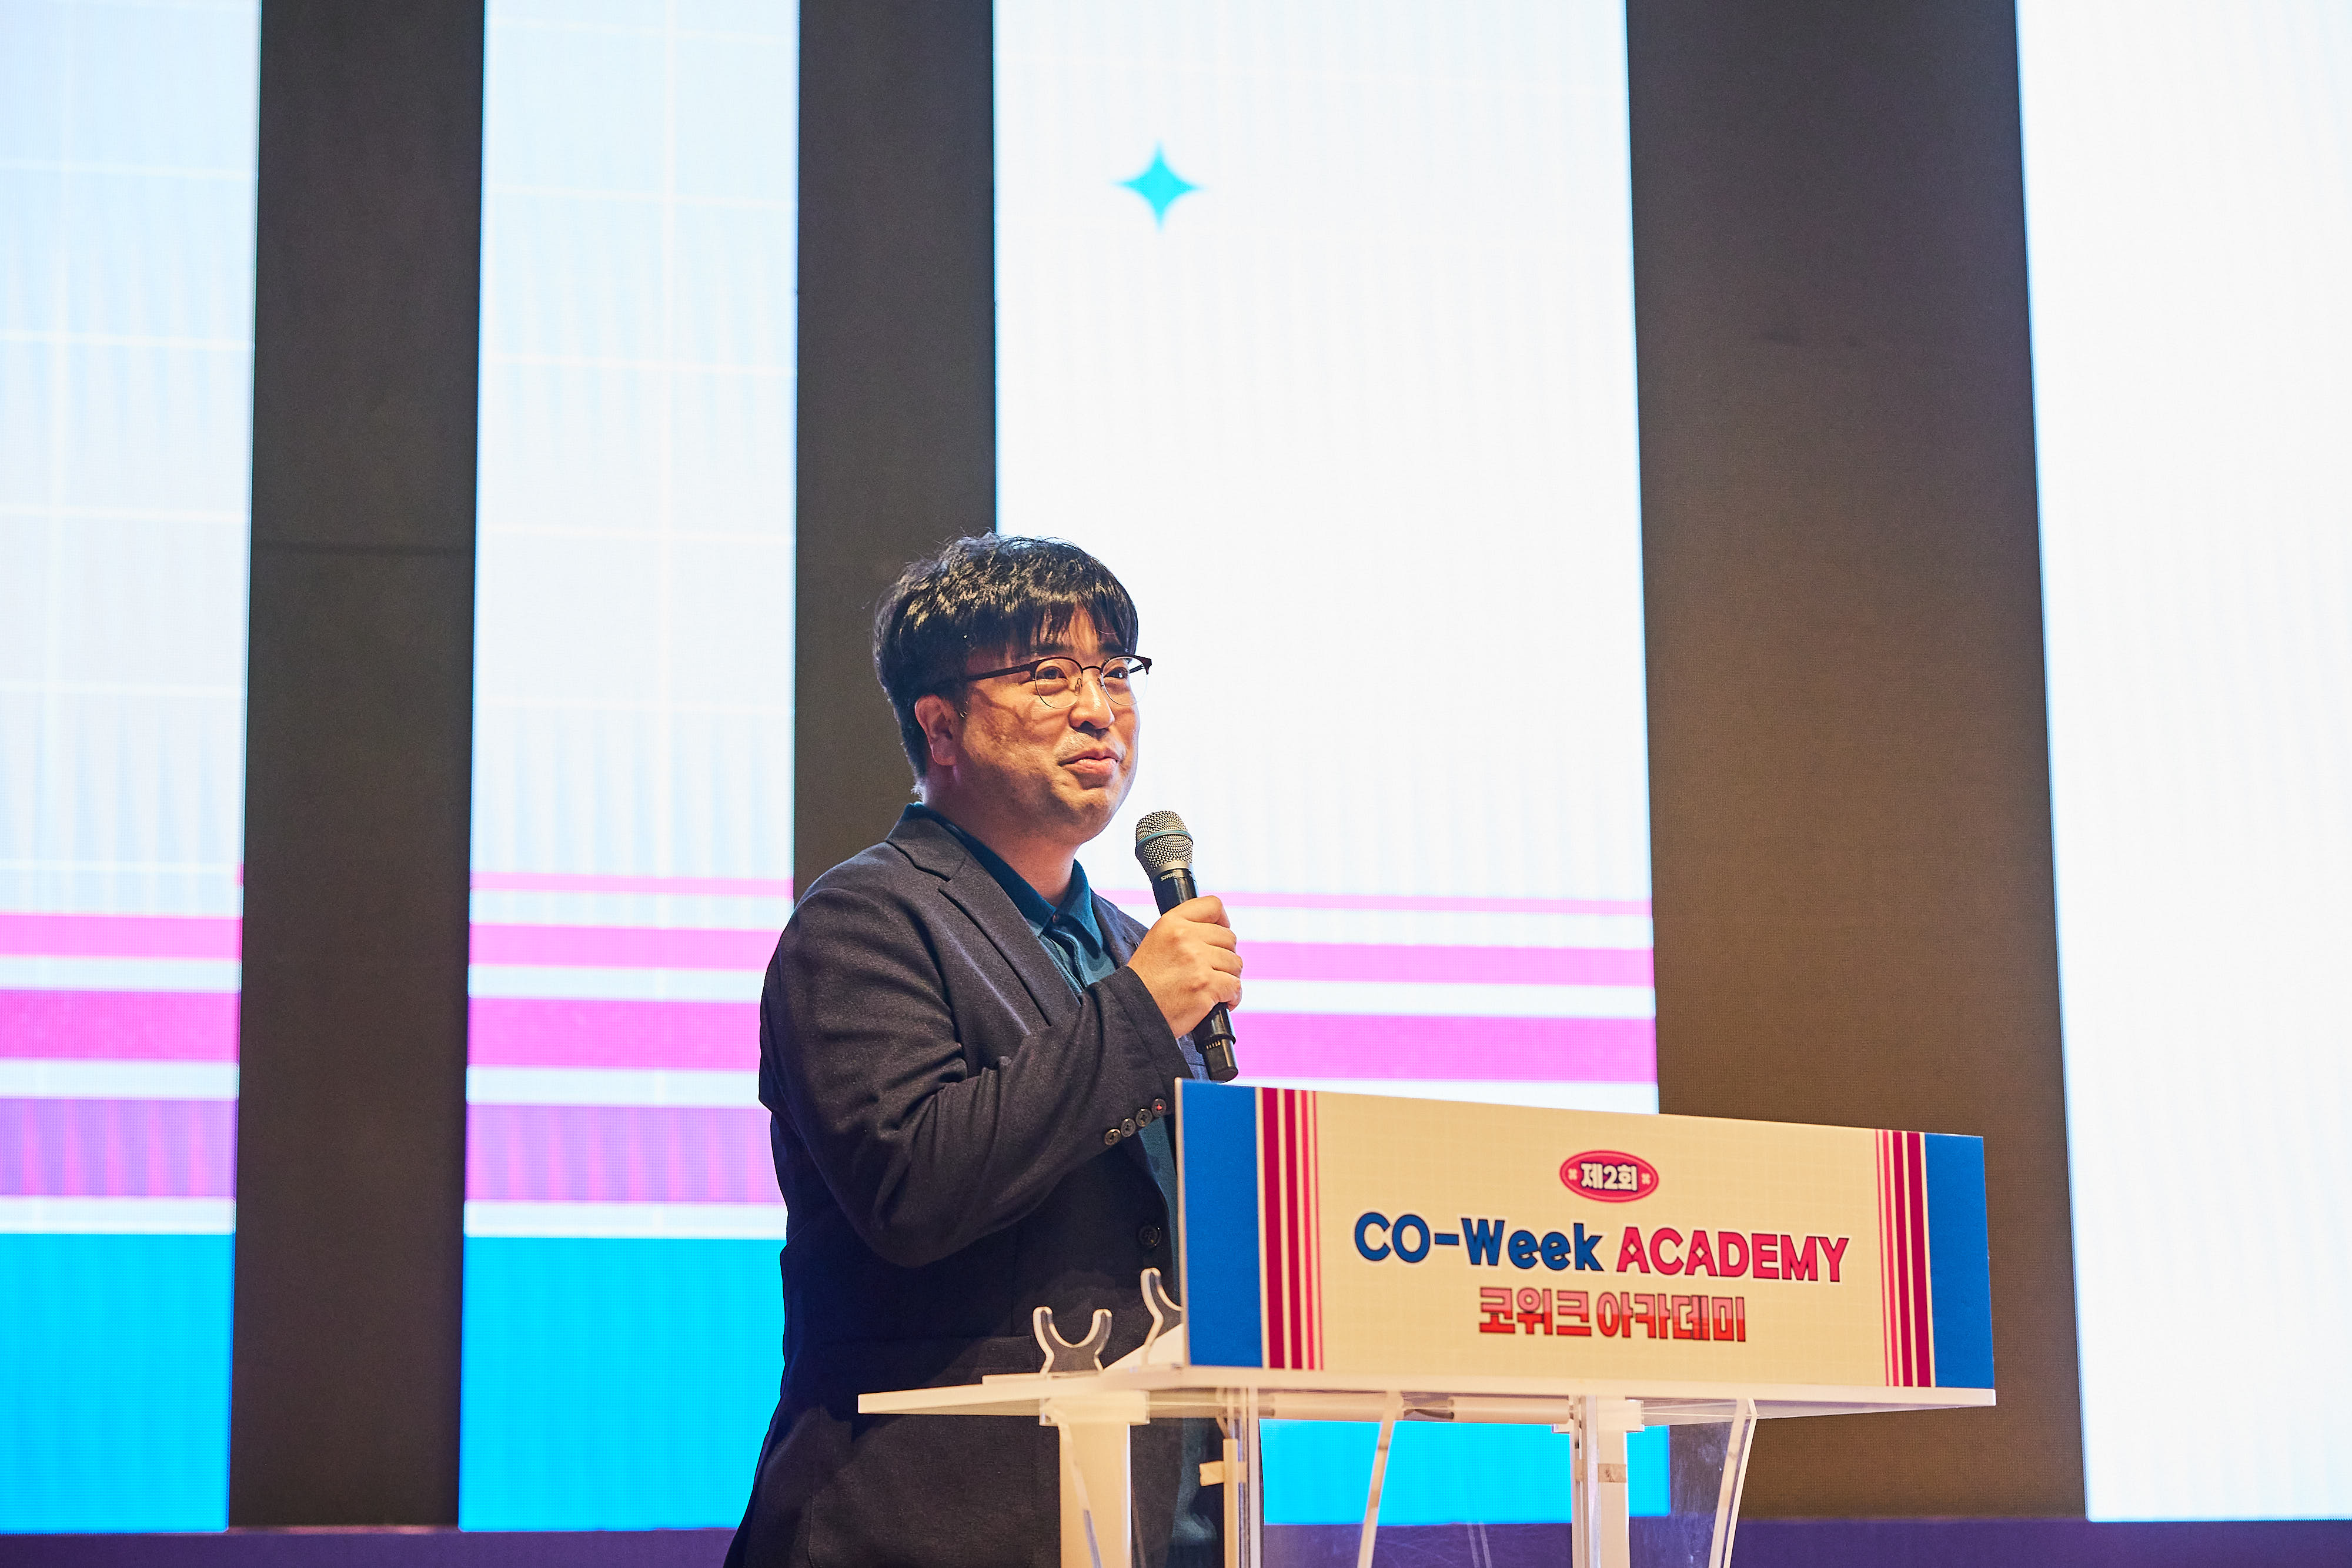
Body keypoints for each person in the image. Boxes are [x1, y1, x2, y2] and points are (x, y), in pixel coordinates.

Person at [726, 536, 1242, 1568]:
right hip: (931, 1527)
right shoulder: (864, 920)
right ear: (940, 725)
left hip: (1159, 1522)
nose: (1098, 709)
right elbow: (913, 1186)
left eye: (1115, 671)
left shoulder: (1131, 948)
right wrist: (1140, 1015)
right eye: (1050, 674)